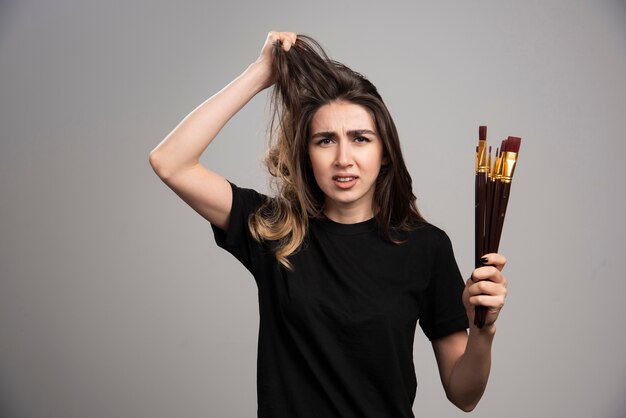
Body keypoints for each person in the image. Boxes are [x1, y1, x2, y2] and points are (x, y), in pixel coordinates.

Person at [149, 31, 508, 417]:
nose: (343, 158)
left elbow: (464, 394)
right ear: (306, 155)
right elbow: (171, 161)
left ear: (384, 153)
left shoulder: (426, 247)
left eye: (360, 139)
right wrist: (260, 73)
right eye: (324, 141)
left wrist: (483, 333)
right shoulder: (274, 230)